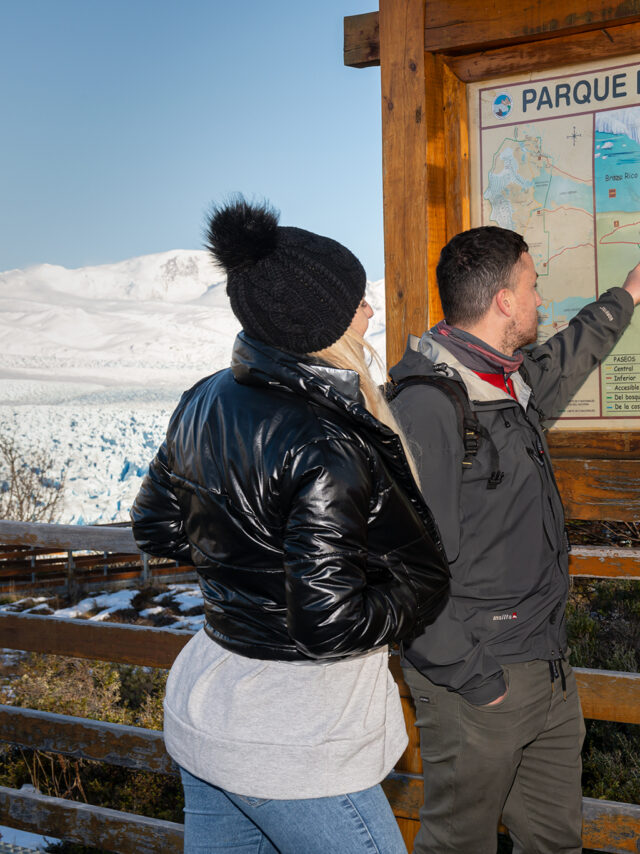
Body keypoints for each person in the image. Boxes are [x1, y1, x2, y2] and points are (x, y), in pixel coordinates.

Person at [131, 198, 450, 854]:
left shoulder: (206, 396)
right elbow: (329, 622)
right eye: (358, 301)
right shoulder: (324, 441)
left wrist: (253, 571)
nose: (371, 310)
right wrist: (416, 590)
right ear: (319, 322)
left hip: (211, 709)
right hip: (296, 740)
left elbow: (157, 526)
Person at [387, 226, 640, 854]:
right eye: (533, 286)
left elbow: (567, 353)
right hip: (478, 679)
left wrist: (624, 297)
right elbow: (407, 567)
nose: (542, 300)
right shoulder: (430, 406)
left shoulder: (508, 384)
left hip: (545, 667)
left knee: (555, 842)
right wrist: (476, 678)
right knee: (460, 844)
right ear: (504, 302)